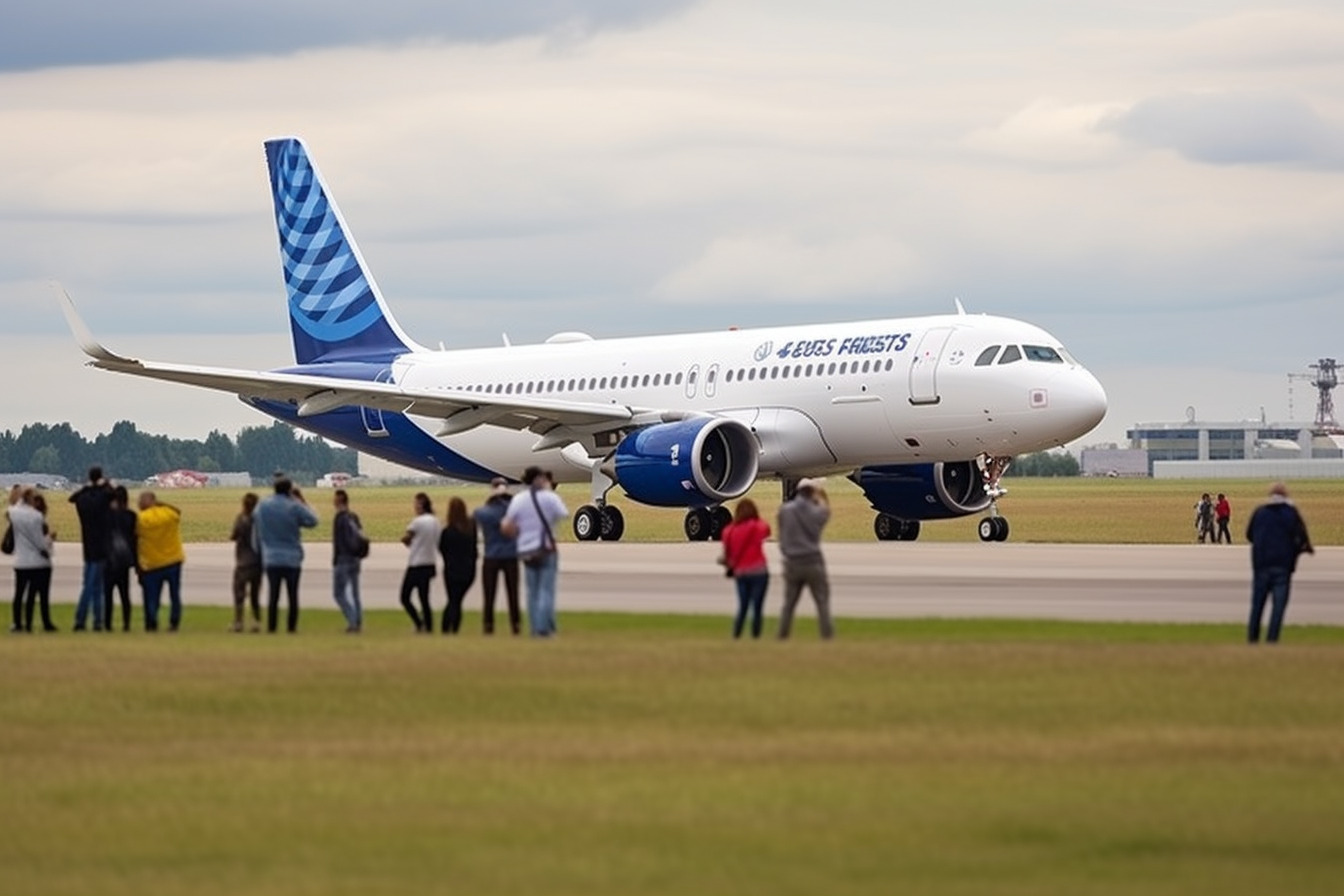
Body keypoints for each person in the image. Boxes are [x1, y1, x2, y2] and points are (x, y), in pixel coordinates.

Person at [501, 467, 568, 638]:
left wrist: (518, 534)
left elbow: (507, 525)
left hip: (526, 549)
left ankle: (533, 628)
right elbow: (563, 514)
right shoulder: (549, 497)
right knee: (546, 591)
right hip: (546, 548)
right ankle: (543, 629)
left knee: (532, 592)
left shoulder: (519, 499)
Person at [1245, 482, 1314, 644]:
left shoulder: (1260, 512)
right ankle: (1272, 640)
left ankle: (1252, 640)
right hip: (1282, 566)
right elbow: (1302, 538)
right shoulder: (1291, 513)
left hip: (1261, 565)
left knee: (1257, 605)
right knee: (1278, 607)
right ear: (1286, 496)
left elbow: (1249, 535)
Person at [253, 477, 318, 634]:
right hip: (292, 558)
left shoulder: (263, 506)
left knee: (273, 596)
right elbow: (313, 521)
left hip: (271, 557)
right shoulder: (294, 507)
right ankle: (291, 628)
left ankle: (272, 627)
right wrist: (301, 500)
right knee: (292, 596)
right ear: (289, 490)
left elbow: (256, 521)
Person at [776, 478, 834, 640]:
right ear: (811, 494)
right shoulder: (816, 512)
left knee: (788, 604)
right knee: (822, 602)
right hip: (812, 561)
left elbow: (781, 531)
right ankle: (827, 635)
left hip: (792, 562)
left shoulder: (785, 511)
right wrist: (820, 496)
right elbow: (826, 512)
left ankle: (782, 635)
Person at [69, 465, 114, 631]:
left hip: (88, 546)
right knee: (94, 587)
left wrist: (87, 487)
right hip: (102, 546)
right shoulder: (103, 498)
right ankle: (85, 620)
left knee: (92, 585)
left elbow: (72, 498)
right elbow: (113, 494)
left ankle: (94, 620)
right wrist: (103, 484)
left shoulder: (83, 500)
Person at [474, 478, 520, 635]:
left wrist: (492, 500)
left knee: (489, 595)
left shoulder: (486, 512)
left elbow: (478, 515)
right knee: (513, 594)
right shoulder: (513, 512)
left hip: (491, 556)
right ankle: (515, 625)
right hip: (510, 555)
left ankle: (488, 625)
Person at [720, 497, 771, 639]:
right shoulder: (756, 526)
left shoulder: (729, 531)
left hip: (741, 572)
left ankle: (737, 634)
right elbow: (767, 530)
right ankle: (755, 636)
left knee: (743, 606)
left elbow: (727, 552)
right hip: (758, 571)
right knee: (757, 607)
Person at [136, 491, 185, 632]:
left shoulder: (142, 518)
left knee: (152, 596)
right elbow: (178, 512)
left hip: (152, 563)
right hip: (174, 559)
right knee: (174, 594)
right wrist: (162, 503)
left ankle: (151, 622)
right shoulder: (168, 513)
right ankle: (174, 622)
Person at [9, 488, 56, 633]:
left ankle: (18, 623)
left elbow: (12, 508)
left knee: (18, 594)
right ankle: (29, 624)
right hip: (37, 562)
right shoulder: (36, 517)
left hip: (21, 561)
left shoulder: (14, 514)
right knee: (33, 595)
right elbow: (39, 542)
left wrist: (20, 497)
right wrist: (48, 541)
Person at [399, 492, 440, 633]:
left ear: (421, 505)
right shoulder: (435, 521)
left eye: (416, 503)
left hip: (416, 563)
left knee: (404, 597)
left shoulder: (417, 522)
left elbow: (407, 538)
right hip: (430, 562)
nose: (414, 506)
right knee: (424, 599)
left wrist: (405, 540)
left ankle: (418, 622)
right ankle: (428, 626)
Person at [438, 496, 478, 634]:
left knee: (453, 600)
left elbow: (442, 550)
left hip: (451, 570)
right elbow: (474, 550)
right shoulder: (471, 528)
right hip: (468, 570)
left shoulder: (447, 531)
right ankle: (454, 629)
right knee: (457, 600)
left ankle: (446, 628)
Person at [331, 488, 367, 634]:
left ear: (339, 500)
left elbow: (339, 542)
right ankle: (358, 621)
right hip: (355, 558)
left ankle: (352, 621)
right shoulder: (354, 517)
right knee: (355, 593)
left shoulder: (339, 518)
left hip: (343, 558)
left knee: (338, 593)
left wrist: (335, 559)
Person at [103, 485, 138, 632]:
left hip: (109, 559)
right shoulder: (131, 515)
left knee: (108, 596)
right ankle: (126, 624)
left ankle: (108, 624)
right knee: (125, 595)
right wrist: (136, 562)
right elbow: (134, 540)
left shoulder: (106, 516)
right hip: (124, 560)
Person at [229, 493, 262, 633]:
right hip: (257, 562)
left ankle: (238, 622)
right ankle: (256, 622)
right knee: (255, 594)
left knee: (239, 594)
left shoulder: (241, 519)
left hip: (243, 562)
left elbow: (233, 536)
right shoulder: (260, 521)